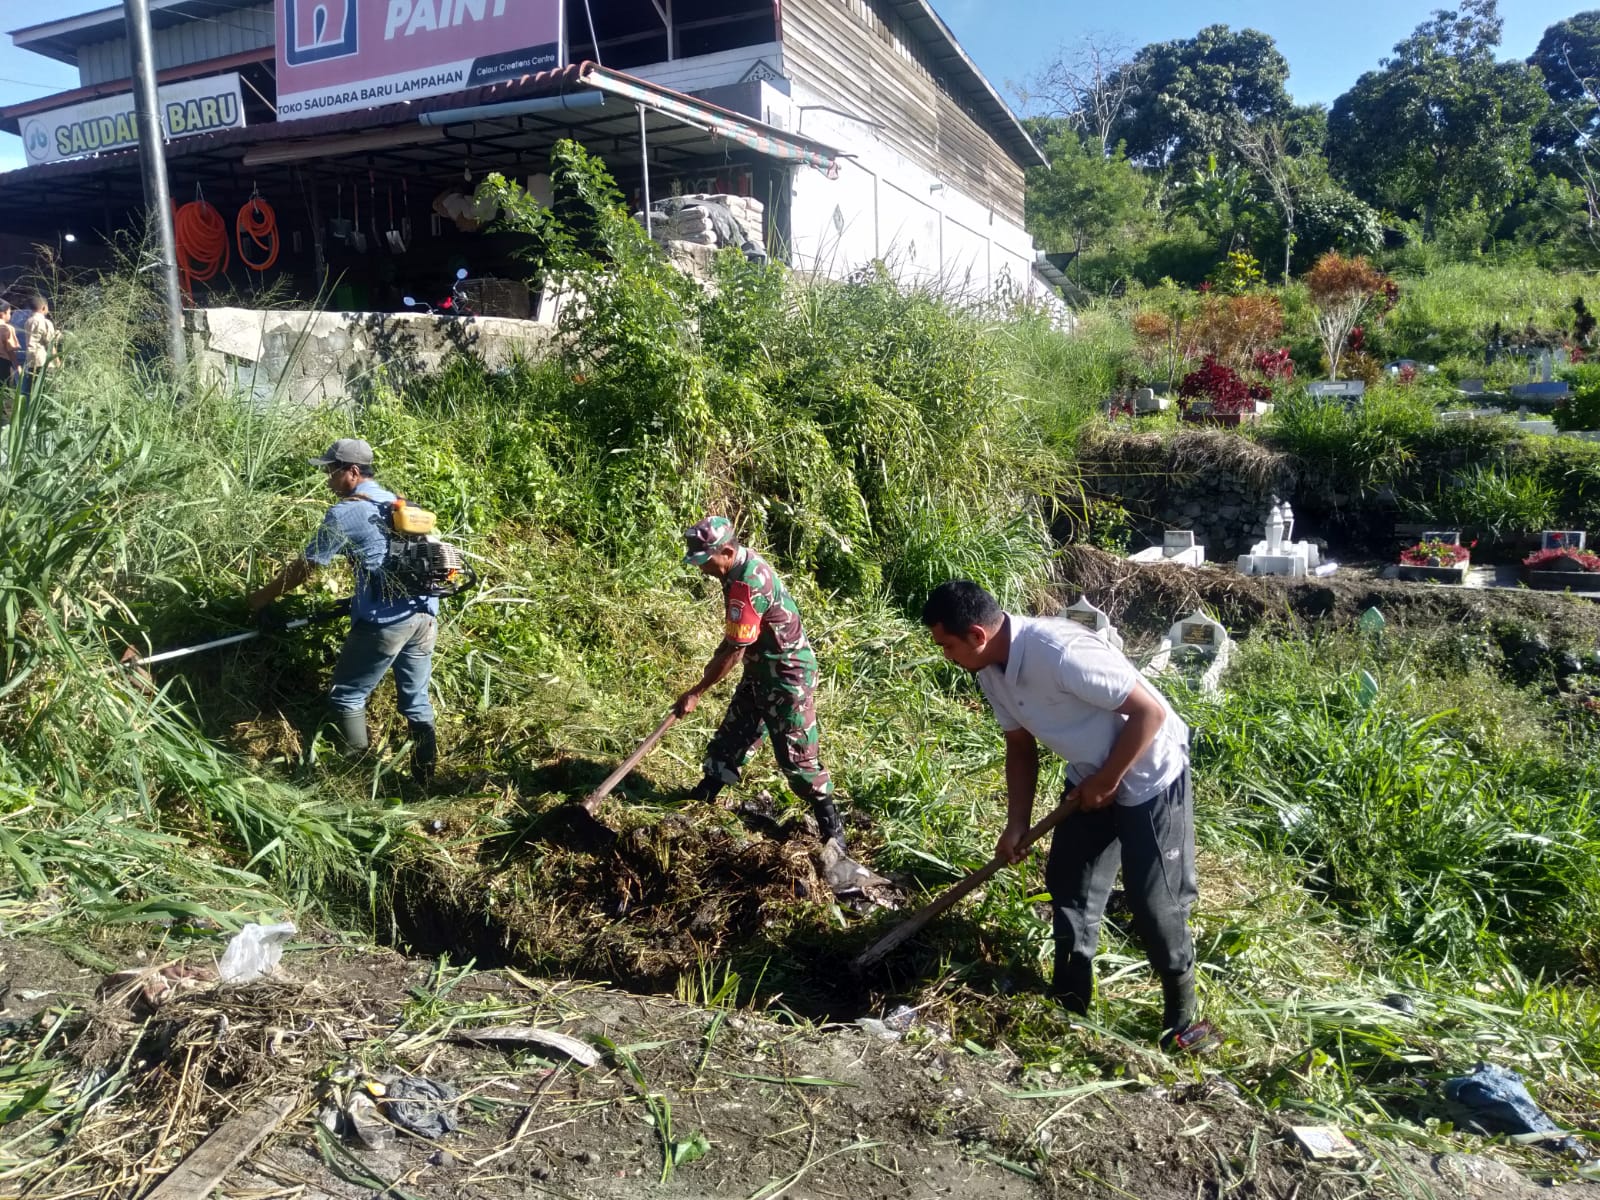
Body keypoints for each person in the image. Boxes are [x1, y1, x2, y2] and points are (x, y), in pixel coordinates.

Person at [921, 580, 1215, 1052]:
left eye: (947, 645)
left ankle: (1183, 1020)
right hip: (1090, 775)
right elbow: (1019, 747)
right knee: (1069, 883)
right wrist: (1016, 823)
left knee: (1154, 901)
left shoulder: (1058, 652)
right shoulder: (990, 672)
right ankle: (1070, 999)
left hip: (1151, 774)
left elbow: (1150, 712)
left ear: (976, 634)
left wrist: (1110, 779)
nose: (946, 656)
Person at [675, 516, 879, 894]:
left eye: (706, 559)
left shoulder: (746, 585)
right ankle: (704, 796)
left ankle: (834, 835)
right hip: (761, 670)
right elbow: (738, 643)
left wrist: (697, 691)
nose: (703, 567)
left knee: (798, 761)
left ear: (727, 550)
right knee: (734, 734)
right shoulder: (737, 569)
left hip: (787, 677)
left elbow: (733, 651)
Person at [247, 438, 440, 784]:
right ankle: (424, 782)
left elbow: (307, 567)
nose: (327, 480)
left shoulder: (345, 511)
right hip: (425, 614)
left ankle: (359, 778)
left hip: (385, 623)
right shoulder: (401, 504)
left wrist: (261, 598)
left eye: (331, 471)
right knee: (416, 702)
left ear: (352, 472)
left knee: (347, 695)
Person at [22, 295, 58, 393]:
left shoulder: (28, 322)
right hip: (43, 361)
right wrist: (57, 362)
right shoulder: (45, 322)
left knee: (33, 391)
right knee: (46, 391)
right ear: (44, 308)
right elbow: (50, 345)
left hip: (31, 361)